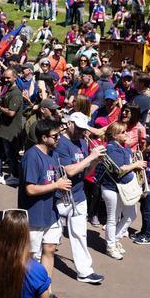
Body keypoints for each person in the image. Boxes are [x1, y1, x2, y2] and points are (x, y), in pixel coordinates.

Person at [19, 119, 71, 298]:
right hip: (34, 214)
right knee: (31, 256)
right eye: (55, 136)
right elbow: (30, 190)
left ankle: (46, 291)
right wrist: (56, 185)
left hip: (50, 213)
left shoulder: (52, 154)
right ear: (43, 137)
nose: (58, 139)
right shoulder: (32, 157)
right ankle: (28, 291)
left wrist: (60, 186)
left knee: (49, 250)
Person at [54, 112, 105, 283]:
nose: (82, 132)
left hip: (78, 195)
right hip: (60, 197)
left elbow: (83, 173)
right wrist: (91, 157)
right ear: (69, 124)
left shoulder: (82, 142)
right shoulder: (61, 143)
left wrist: (96, 162)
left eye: (84, 129)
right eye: (79, 128)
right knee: (51, 237)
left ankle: (85, 271)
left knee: (80, 234)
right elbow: (69, 171)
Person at [99, 122, 146, 260]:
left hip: (124, 188)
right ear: (114, 135)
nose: (127, 134)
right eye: (123, 132)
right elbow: (119, 169)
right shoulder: (112, 148)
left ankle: (115, 239)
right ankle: (110, 247)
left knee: (131, 214)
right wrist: (135, 165)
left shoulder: (123, 147)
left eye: (126, 131)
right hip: (112, 188)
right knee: (112, 219)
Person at [0, 69, 24, 185]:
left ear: (15, 77)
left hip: (10, 130)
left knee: (11, 154)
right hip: (2, 128)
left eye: (8, 78)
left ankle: (15, 176)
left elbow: (11, 113)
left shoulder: (16, 93)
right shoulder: (8, 90)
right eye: (5, 77)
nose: (6, 80)